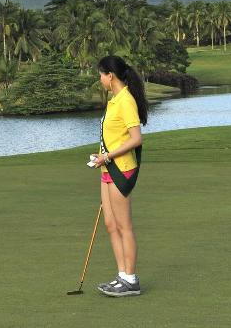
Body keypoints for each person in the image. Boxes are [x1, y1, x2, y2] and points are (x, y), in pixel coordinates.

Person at [90, 56, 148, 297]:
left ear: (110, 76)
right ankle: (121, 275)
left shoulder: (126, 101)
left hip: (121, 169)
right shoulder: (114, 101)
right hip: (107, 167)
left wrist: (108, 156)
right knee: (110, 224)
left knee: (124, 226)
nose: (100, 79)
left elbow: (136, 139)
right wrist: (101, 155)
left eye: (101, 75)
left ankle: (131, 279)